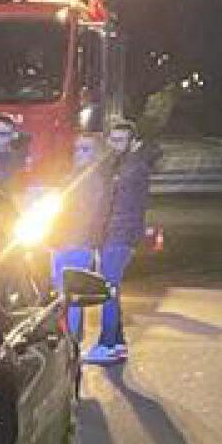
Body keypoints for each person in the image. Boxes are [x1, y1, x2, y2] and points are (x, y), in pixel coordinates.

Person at [84, 117, 151, 365]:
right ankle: (119, 342)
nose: (115, 144)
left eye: (121, 140)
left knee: (108, 289)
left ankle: (106, 344)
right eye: (112, 139)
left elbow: (109, 201)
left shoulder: (131, 168)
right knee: (112, 288)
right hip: (114, 234)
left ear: (133, 143)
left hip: (120, 235)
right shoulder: (120, 164)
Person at [49, 130, 107, 341]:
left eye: (86, 148)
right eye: (77, 148)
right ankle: (69, 338)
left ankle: (71, 340)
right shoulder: (75, 176)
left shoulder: (93, 180)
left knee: (70, 297)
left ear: (96, 152)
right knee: (62, 295)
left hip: (77, 243)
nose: (79, 153)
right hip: (63, 241)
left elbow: (88, 214)